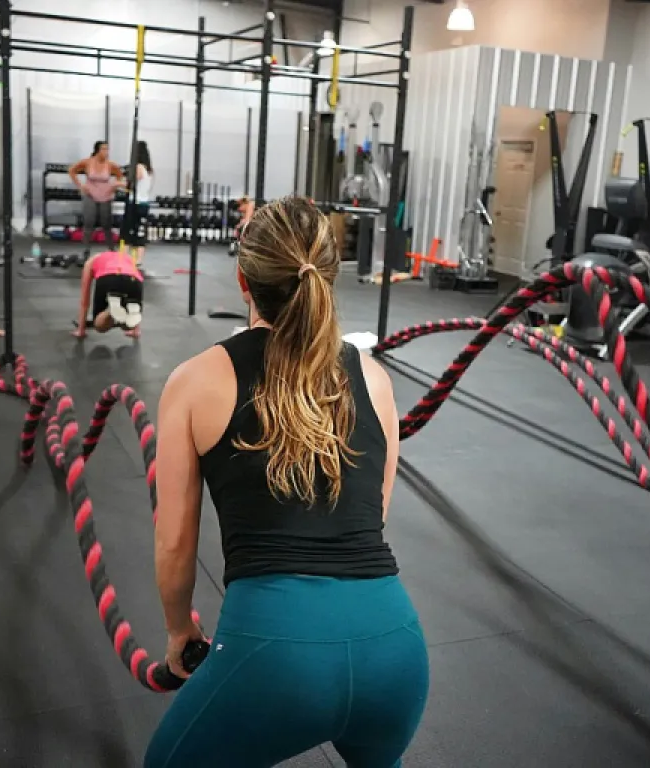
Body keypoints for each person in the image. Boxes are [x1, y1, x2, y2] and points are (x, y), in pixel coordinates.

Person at [146, 197, 429, 768]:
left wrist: (180, 630)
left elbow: (175, 544)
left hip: (277, 657)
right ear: (329, 274)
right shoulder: (374, 378)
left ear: (243, 279)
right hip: (396, 652)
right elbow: (373, 519)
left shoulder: (194, 381)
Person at [68, 141, 126, 259]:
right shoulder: (87, 162)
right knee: (89, 222)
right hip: (90, 194)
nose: (106, 152)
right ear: (97, 150)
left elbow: (120, 176)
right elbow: (72, 170)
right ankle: (86, 250)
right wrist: (80, 185)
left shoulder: (110, 165)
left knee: (106, 223)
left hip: (106, 195)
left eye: (107, 149)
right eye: (104, 149)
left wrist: (114, 187)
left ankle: (111, 249)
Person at [71, 250, 144, 340]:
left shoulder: (91, 261)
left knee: (99, 326)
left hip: (108, 277)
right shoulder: (127, 257)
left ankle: (111, 312)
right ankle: (126, 313)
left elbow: (84, 300)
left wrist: (80, 330)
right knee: (128, 324)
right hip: (134, 280)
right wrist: (136, 330)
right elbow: (137, 274)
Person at [130, 140, 154, 269]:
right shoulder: (149, 169)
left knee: (134, 231)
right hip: (144, 202)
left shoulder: (138, 167)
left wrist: (119, 184)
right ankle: (138, 259)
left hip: (136, 203)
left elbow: (132, 182)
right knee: (140, 231)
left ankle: (134, 258)